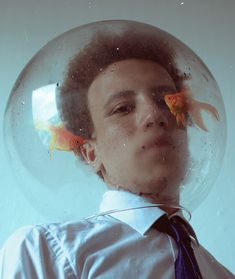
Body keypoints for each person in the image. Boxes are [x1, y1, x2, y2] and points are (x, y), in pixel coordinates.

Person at [0, 25, 234, 278]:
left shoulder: (220, 274)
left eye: (166, 101)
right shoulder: (46, 252)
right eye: (122, 108)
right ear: (90, 152)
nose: (155, 115)